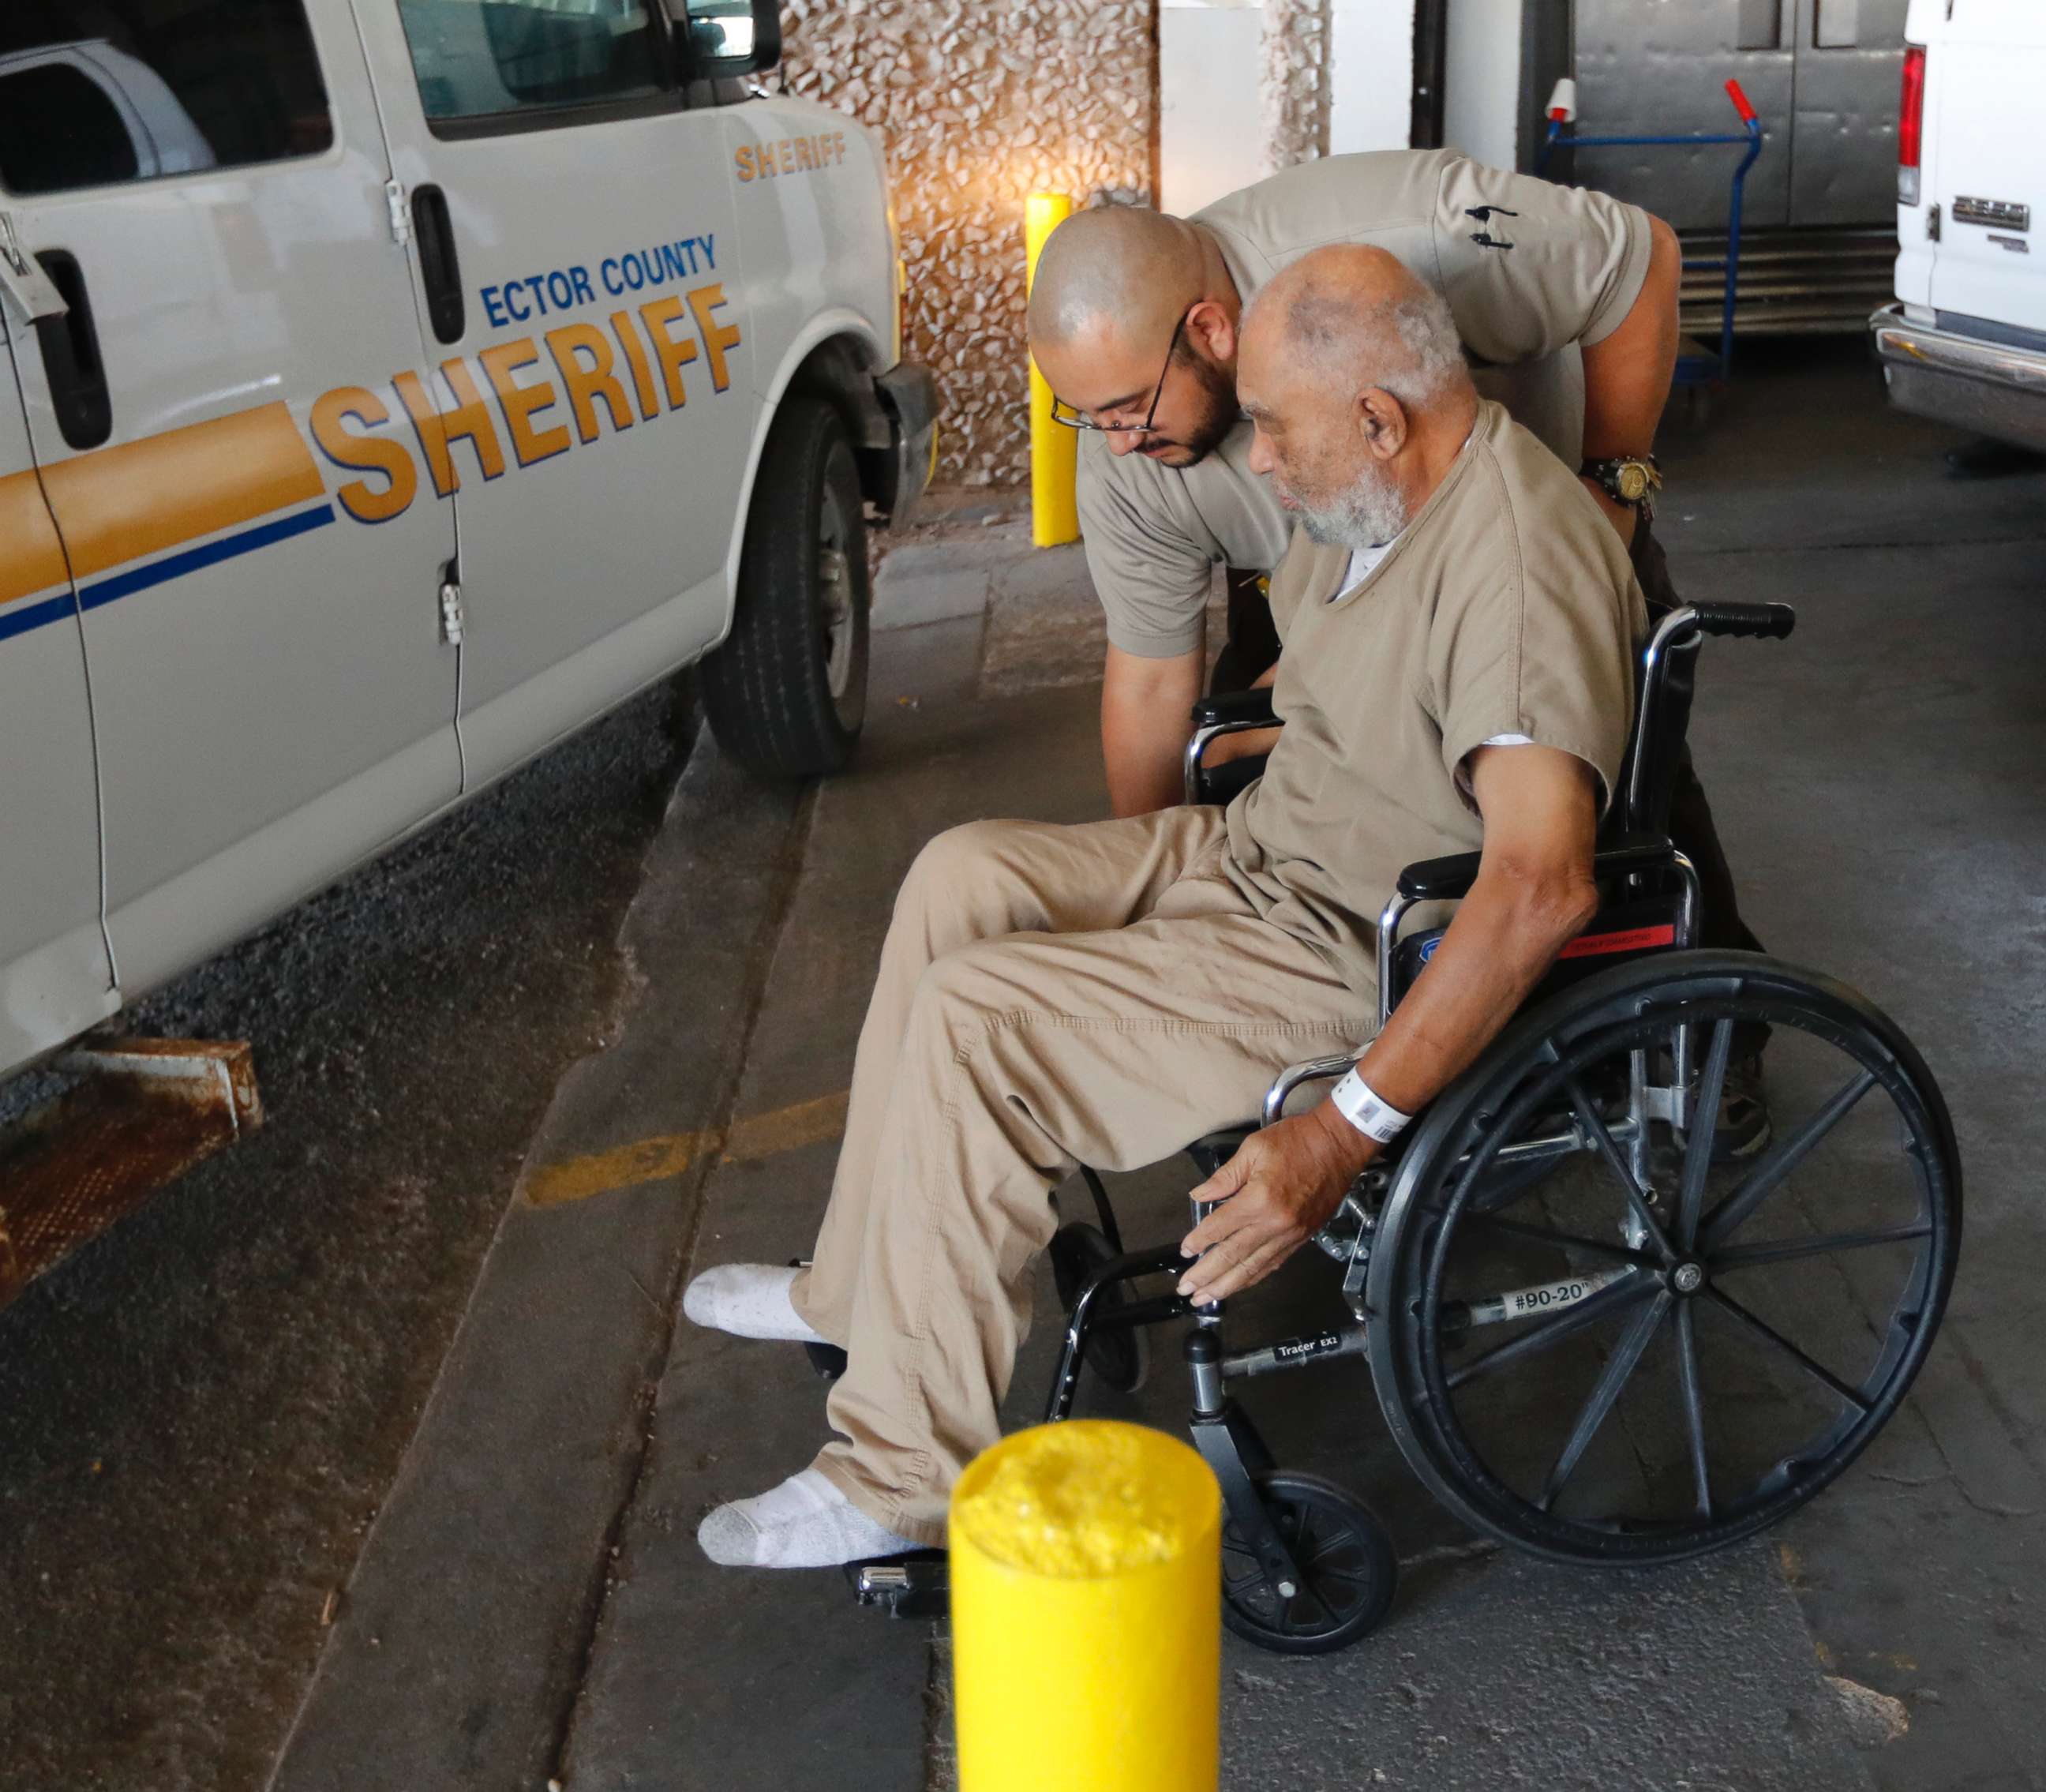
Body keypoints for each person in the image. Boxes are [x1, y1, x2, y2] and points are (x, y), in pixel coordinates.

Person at [684, 246, 1647, 1569]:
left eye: (1277, 430)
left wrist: (1344, 1130)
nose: (1256, 460)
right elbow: (1351, 708)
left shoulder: (1516, 569)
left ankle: (900, 1470)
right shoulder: (1376, 499)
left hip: (1347, 949)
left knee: (983, 1018)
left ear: (1380, 417)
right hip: (1260, 853)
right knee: (963, 872)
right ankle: (856, 1288)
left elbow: (1541, 883)